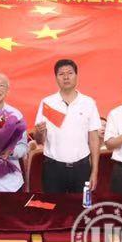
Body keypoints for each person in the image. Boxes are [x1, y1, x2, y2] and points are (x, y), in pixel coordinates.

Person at [33, 59, 102, 193]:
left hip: (81, 168)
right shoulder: (47, 102)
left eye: (70, 73)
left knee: (81, 205)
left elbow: (94, 139)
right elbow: (39, 140)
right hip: (53, 168)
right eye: (61, 74)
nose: (66, 77)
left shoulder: (88, 103)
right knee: (54, 204)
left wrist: (94, 171)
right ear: (56, 78)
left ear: (76, 76)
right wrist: (39, 132)